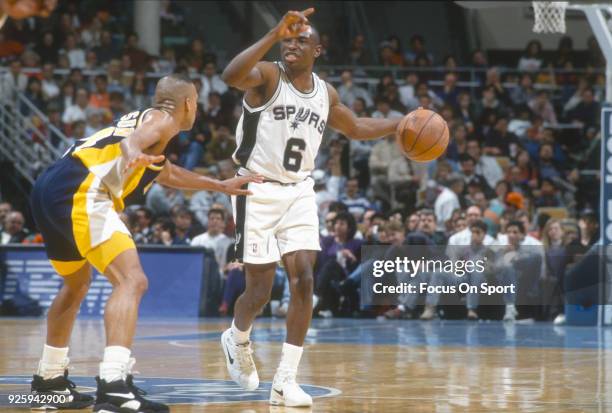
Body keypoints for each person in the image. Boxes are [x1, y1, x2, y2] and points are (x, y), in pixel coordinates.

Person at [28, 74, 260, 412]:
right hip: (83, 189)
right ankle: (114, 385)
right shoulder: (160, 119)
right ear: (188, 104)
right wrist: (133, 151)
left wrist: (219, 185)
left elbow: (166, 173)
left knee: (77, 284)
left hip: (51, 186)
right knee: (132, 280)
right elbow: (134, 143)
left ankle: (48, 380)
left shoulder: (144, 125)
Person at [219, 8, 405, 407]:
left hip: (300, 190)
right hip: (255, 188)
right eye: (289, 39)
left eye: (301, 40)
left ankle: (285, 379)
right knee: (259, 293)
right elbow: (231, 76)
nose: (292, 44)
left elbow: (355, 127)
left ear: (317, 50)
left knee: (304, 277)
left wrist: (401, 123)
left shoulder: (325, 93)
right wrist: (272, 32)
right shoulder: (268, 76)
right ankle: (237, 336)